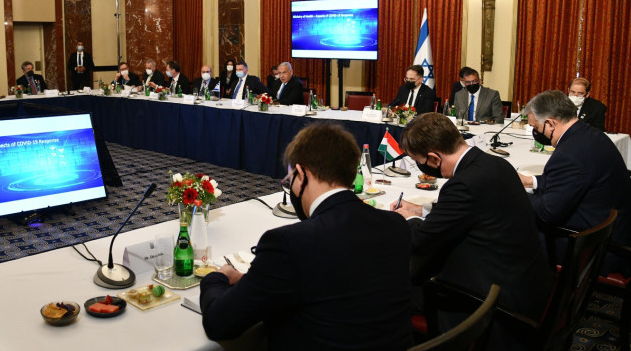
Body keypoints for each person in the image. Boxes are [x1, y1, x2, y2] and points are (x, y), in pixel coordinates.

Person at [201, 123, 412, 350]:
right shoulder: (395, 225)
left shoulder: (287, 243)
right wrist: (256, 281)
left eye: (290, 180)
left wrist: (217, 278)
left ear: (301, 174)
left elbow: (219, 323)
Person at [392, 113, 553, 350]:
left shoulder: (463, 184)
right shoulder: (496, 164)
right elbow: (474, 210)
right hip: (526, 280)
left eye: (419, 161)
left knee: (390, 290)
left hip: (493, 299)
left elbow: (420, 241)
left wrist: (407, 218)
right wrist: (422, 210)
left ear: (434, 159)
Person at [518, 90, 630, 274]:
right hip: (610, 227)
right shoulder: (588, 135)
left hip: (596, 246)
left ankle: (531, 293)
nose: (536, 133)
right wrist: (531, 181)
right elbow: (571, 182)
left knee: (517, 228)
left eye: (536, 128)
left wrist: (516, 191)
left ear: (550, 123)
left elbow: (547, 213)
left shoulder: (570, 154)